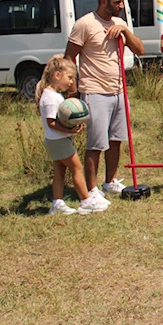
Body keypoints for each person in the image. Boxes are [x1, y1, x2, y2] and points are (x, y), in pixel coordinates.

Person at [65, 0, 145, 202]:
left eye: (122, 1)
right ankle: (91, 191)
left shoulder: (120, 22)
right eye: (117, 2)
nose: (121, 6)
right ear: (103, 1)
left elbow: (140, 50)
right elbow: (69, 59)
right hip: (94, 90)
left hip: (119, 90)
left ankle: (110, 182)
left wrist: (126, 31)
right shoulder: (85, 24)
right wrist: (72, 93)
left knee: (116, 139)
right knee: (96, 143)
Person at [35, 56, 108, 214]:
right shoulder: (50, 98)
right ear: (57, 75)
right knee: (77, 168)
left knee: (60, 172)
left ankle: (57, 203)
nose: (71, 82)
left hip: (55, 141)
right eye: (69, 78)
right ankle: (86, 201)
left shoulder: (53, 94)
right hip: (58, 141)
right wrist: (71, 130)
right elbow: (51, 122)